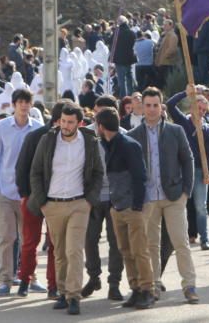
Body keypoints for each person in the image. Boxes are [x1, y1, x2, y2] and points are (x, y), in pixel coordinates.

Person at [28, 102, 104, 315]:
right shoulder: (48, 140)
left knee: (74, 250)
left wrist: (90, 200)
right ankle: (62, 291)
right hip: (52, 204)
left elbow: (98, 172)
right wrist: (42, 201)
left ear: (79, 123)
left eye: (70, 122)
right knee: (59, 251)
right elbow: (35, 172)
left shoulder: (89, 142)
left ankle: (74, 296)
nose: (66, 125)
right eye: (63, 121)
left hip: (79, 204)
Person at [129, 87, 198, 304]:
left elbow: (188, 160)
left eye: (155, 105)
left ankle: (189, 285)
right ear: (142, 107)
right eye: (147, 105)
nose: (151, 109)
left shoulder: (175, 131)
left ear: (162, 107)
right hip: (148, 199)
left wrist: (186, 191)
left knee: (180, 241)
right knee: (151, 245)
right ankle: (154, 285)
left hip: (174, 196)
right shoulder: (133, 136)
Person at [0, 88, 45, 296]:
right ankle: (5, 280)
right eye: (20, 102)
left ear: (31, 105)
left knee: (29, 238)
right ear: (13, 104)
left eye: (27, 102)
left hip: (29, 193)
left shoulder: (38, 129)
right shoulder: (2, 128)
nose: (23, 105)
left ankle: (30, 277)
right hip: (4, 191)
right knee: (6, 237)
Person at [96, 108, 154, 309]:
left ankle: (147, 290)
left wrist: (137, 205)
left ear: (101, 127)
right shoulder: (107, 143)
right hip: (118, 206)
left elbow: (140, 176)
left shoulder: (129, 145)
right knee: (125, 250)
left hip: (133, 207)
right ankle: (136, 289)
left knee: (139, 250)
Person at [14, 100, 60, 297]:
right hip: (33, 198)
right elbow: (22, 167)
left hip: (58, 199)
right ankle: (25, 280)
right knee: (30, 243)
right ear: (57, 119)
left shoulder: (71, 138)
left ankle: (53, 285)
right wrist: (26, 194)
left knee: (54, 244)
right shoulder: (36, 137)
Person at [82, 97, 125, 302]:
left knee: (116, 242)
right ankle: (93, 277)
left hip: (116, 198)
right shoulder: (86, 136)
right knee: (89, 239)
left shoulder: (124, 136)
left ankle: (114, 283)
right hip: (93, 197)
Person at [166, 88, 209, 251]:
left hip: (200, 171)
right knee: (180, 206)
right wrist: (185, 93)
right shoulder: (183, 122)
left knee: (200, 206)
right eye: (198, 108)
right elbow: (170, 104)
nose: (201, 112)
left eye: (204, 110)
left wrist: (208, 172)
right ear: (192, 107)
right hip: (183, 170)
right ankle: (180, 238)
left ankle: (205, 238)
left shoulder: (207, 129)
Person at [114, 16, 137, 98]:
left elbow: (110, 42)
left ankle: (123, 96)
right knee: (129, 77)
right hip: (128, 58)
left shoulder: (116, 33)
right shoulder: (131, 33)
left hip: (119, 59)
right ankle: (131, 94)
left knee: (121, 79)